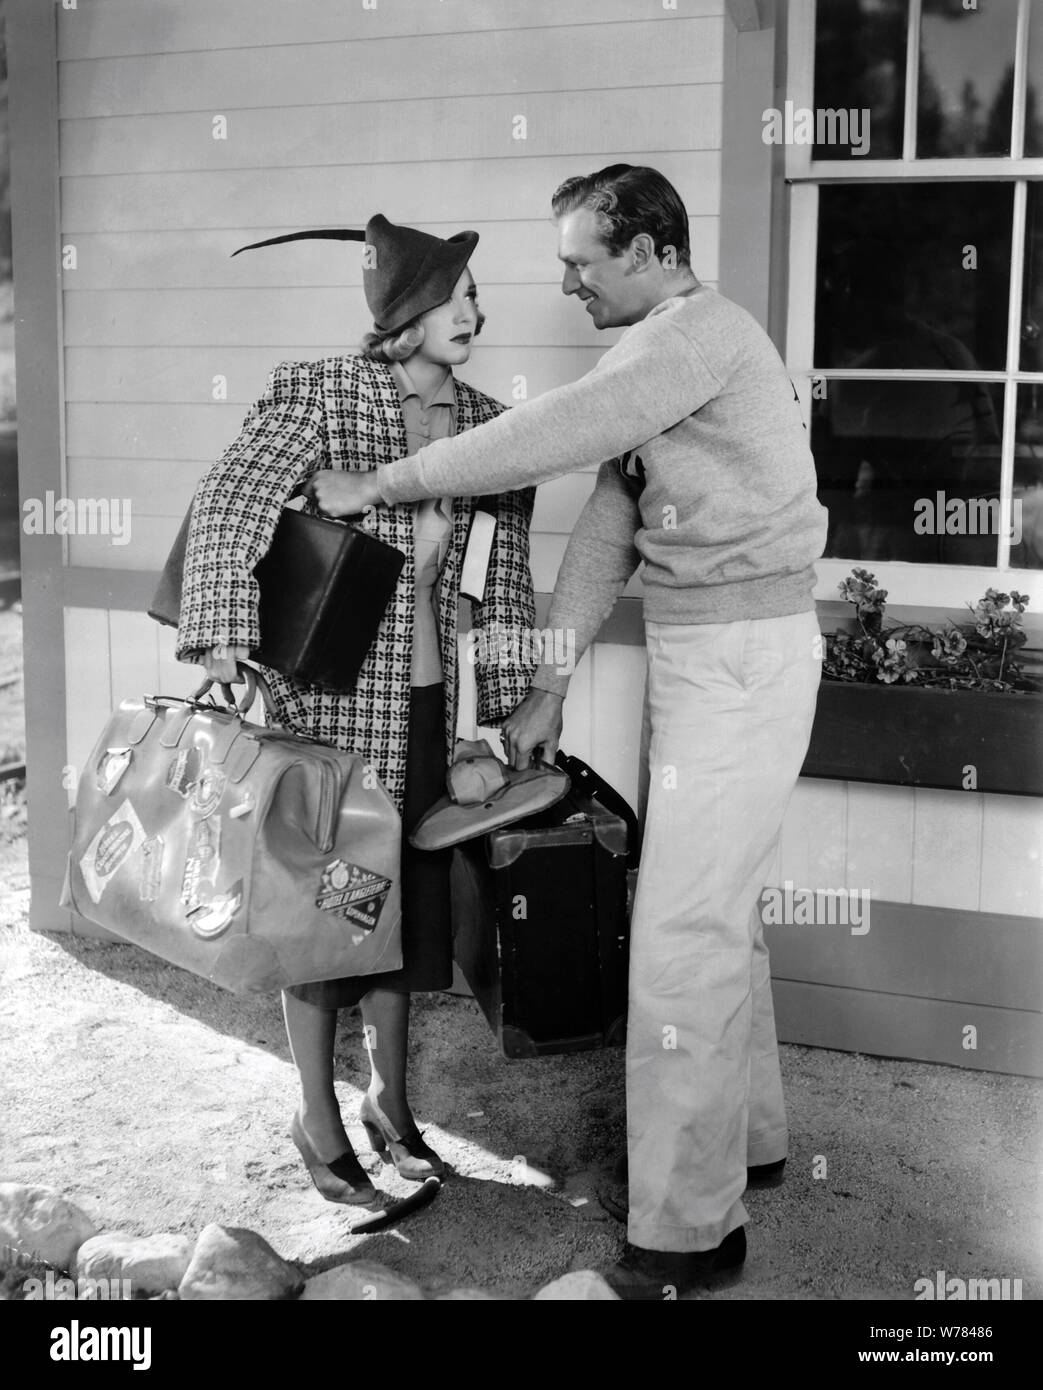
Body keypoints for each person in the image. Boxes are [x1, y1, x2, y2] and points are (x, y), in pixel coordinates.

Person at [311, 165, 829, 1293]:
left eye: (580, 263)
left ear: (647, 251)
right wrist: (545, 690)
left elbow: (541, 436)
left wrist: (379, 486)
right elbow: (608, 524)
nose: (565, 284)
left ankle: (687, 1240)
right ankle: (746, 1147)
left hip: (740, 660)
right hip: (712, 658)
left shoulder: (687, 339)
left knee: (680, 938)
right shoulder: (662, 360)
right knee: (715, 920)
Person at [176, 215, 537, 1206]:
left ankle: (389, 1099)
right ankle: (316, 1116)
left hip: (424, 705)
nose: (476, 310)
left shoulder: (488, 422)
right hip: (324, 708)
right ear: (405, 312)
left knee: (403, 911)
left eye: (473, 292)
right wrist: (217, 628)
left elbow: (500, 582)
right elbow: (232, 495)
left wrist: (491, 724)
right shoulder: (325, 393)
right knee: (324, 914)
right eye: (456, 293)